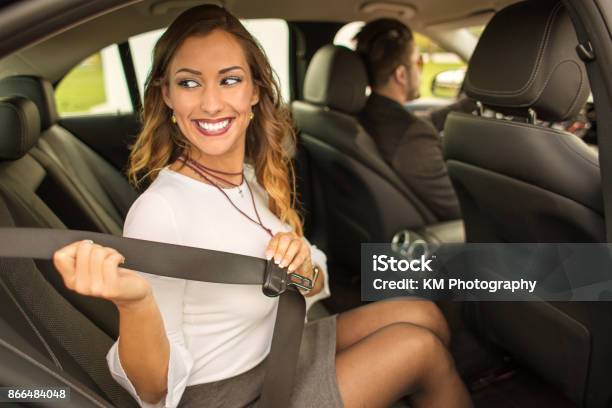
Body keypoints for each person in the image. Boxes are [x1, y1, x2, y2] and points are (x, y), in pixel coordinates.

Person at [51, 5, 471, 408]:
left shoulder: (250, 177)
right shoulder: (161, 211)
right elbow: (153, 391)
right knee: (421, 350)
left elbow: (310, 282)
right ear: (167, 96)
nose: (211, 103)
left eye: (230, 80)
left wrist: (304, 270)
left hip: (279, 345)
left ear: (254, 91)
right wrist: (135, 303)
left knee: (423, 313)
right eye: (190, 82)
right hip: (228, 395)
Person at [355, 18, 462, 222]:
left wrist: (466, 105)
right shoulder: (412, 137)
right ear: (401, 75)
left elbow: (423, 121)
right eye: (418, 62)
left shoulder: (365, 114)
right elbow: (457, 211)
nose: (421, 69)